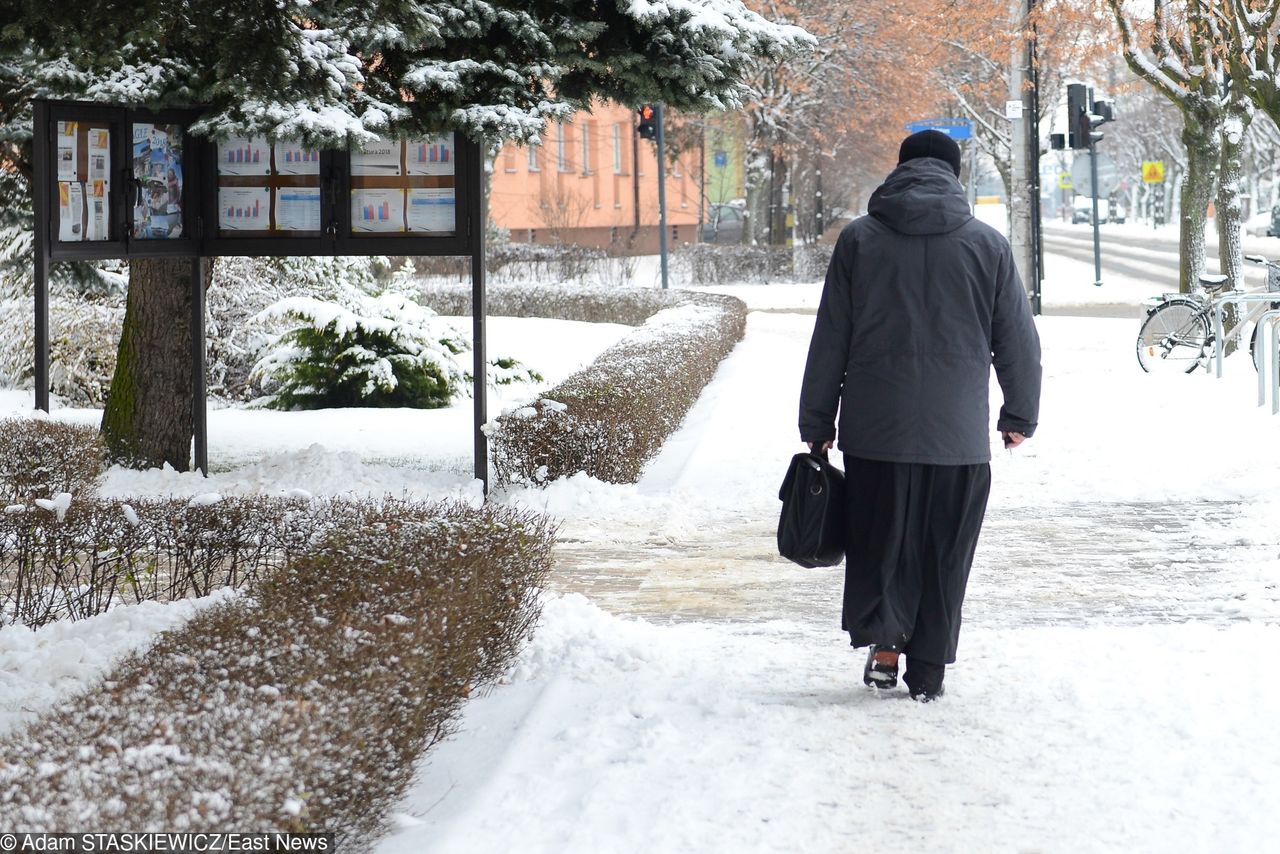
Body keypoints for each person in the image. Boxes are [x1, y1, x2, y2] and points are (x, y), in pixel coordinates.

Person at [798, 129, 1041, 702]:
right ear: (955, 176)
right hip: (955, 438)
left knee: (882, 542)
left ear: (899, 169)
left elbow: (830, 336)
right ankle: (927, 669)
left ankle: (885, 648)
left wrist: (817, 423)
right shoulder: (988, 245)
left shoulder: (859, 240)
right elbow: (1018, 341)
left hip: (874, 432)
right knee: (944, 551)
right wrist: (1019, 413)